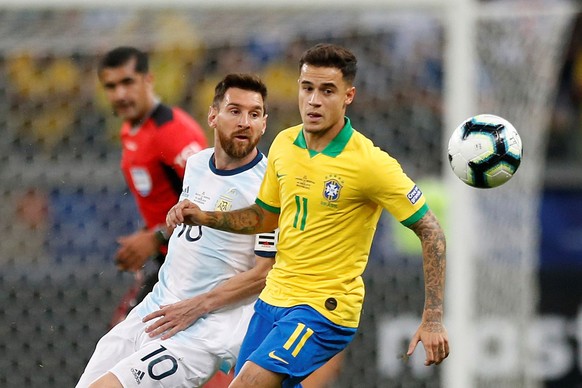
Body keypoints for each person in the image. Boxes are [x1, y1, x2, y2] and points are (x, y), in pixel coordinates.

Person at [166, 43, 449, 388]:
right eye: (307, 88)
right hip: (273, 301)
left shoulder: (370, 164)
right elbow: (263, 218)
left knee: (247, 385)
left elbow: (431, 229)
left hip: (323, 309)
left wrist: (433, 317)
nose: (314, 100)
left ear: (348, 96)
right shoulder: (285, 144)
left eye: (327, 91)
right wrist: (205, 217)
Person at [76, 73, 276, 387]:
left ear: (264, 123)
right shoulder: (196, 164)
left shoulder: (269, 188)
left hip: (201, 331)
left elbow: (266, 275)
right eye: (235, 111)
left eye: (254, 114)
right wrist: (166, 227)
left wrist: (197, 306)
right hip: (155, 310)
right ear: (213, 115)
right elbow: (197, 228)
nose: (245, 122)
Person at [97, 46, 208, 326]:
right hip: (167, 259)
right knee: (124, 341)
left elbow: (211, 200)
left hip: (197, 266)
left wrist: (155, 237)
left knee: (127, 345)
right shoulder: (131, 129)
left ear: (148, 80)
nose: (120, 94)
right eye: (111, 86)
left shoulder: (173, 133)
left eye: (127, 82)